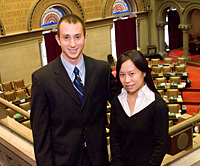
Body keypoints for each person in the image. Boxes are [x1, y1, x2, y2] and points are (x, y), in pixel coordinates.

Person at [30, 14, 116, 166]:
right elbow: (40, 135)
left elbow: (121, 106)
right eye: (66, 37)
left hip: (98, 158)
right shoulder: (42, 79)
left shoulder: (102, 70)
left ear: (85, 38)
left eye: (77, 37)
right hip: (64, 161)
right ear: (58, 40)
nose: (72, 44)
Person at [110, 50, 169, 166]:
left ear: (144, 73)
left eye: (132, 74)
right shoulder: (117, 102)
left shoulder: (157, 105)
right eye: (122, 74)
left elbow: (160, 146)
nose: (127, 80)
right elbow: (114, 139)